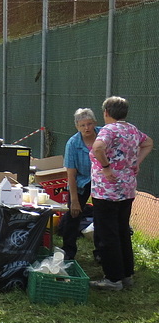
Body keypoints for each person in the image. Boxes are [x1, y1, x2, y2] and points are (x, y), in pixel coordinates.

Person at [88, 96, 153, 290]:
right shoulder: (132, 129)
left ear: (106, 112)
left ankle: (113, 278)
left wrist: (106, 168)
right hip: (127, 189)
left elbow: (98, 147)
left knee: (108, 233)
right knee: (123, 230)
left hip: (106, 191)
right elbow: (148, 142)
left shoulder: (109, 130)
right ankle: (126, 274)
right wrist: (136, 162)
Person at [59, 108, 99, 261]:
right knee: (73, 214)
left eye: (89, 124)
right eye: (82, 125)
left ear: (95, 123)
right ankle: (68, 251)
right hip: (82, 181)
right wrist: (74, 201)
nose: (86, 128)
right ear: (77, 126)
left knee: (102, 216)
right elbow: (71, 174)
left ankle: (101, 253)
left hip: (102, 182)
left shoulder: (104, 135)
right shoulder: (73, 144)